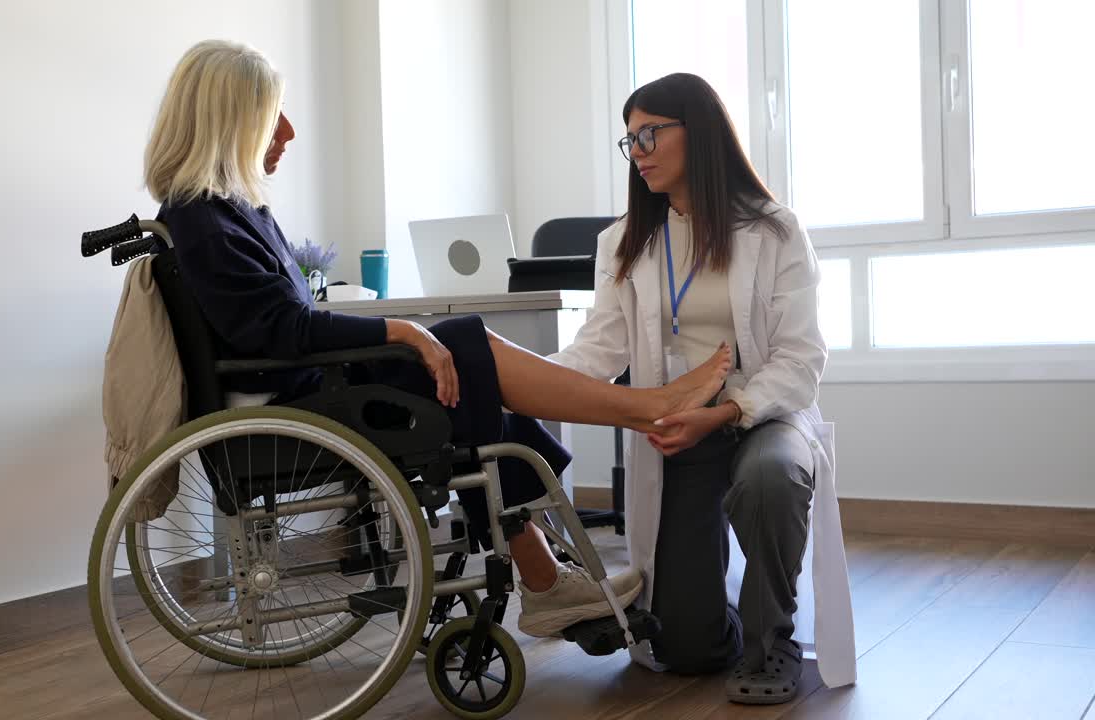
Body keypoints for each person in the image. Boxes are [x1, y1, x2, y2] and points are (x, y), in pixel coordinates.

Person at [141, 41, 734, 639]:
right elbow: (282, 331)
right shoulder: (206, 220)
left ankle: (547, 570)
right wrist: (401, 330)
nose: (289, 131)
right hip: (294, 407)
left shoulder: (227, 213)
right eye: (275, 117)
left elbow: (277, 324)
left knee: (468, 364)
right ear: (231, 123)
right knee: (465, 352)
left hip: (310, 388)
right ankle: (633, 426)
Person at [549, 72, 856, 704]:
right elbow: (599, 349)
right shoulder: (623, 243)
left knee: (769, 477)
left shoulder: (774, 231)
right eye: (630, 139)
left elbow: (802, 358)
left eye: (652, 133)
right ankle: (727, 624)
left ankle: (773, 644)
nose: (639, 151)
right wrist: (524, 377)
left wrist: (728, 410)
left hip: (764, 416)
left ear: (703, 131)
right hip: (677, 430)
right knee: (686, 650)